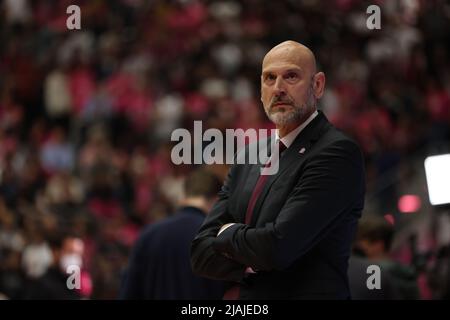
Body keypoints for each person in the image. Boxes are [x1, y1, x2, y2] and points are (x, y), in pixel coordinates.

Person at [190, 40, 366, 299]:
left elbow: (278, 247)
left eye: (291, 76)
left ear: (317, 85)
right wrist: (255, 254)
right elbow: (200, 254)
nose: (278, 88)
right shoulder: (249, 156)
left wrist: (227, 234)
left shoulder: (337, 153)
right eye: (269, 78)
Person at [119, 168, 225, 299]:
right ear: (217, 200)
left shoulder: (148, 235)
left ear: (185, 194)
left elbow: (129, 293)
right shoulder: (218, 238)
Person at [349, 214, 420, 299]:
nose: (355, 247)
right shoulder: (406, 274)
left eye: (360, 241)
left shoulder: (372, 274)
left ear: (378, 245)